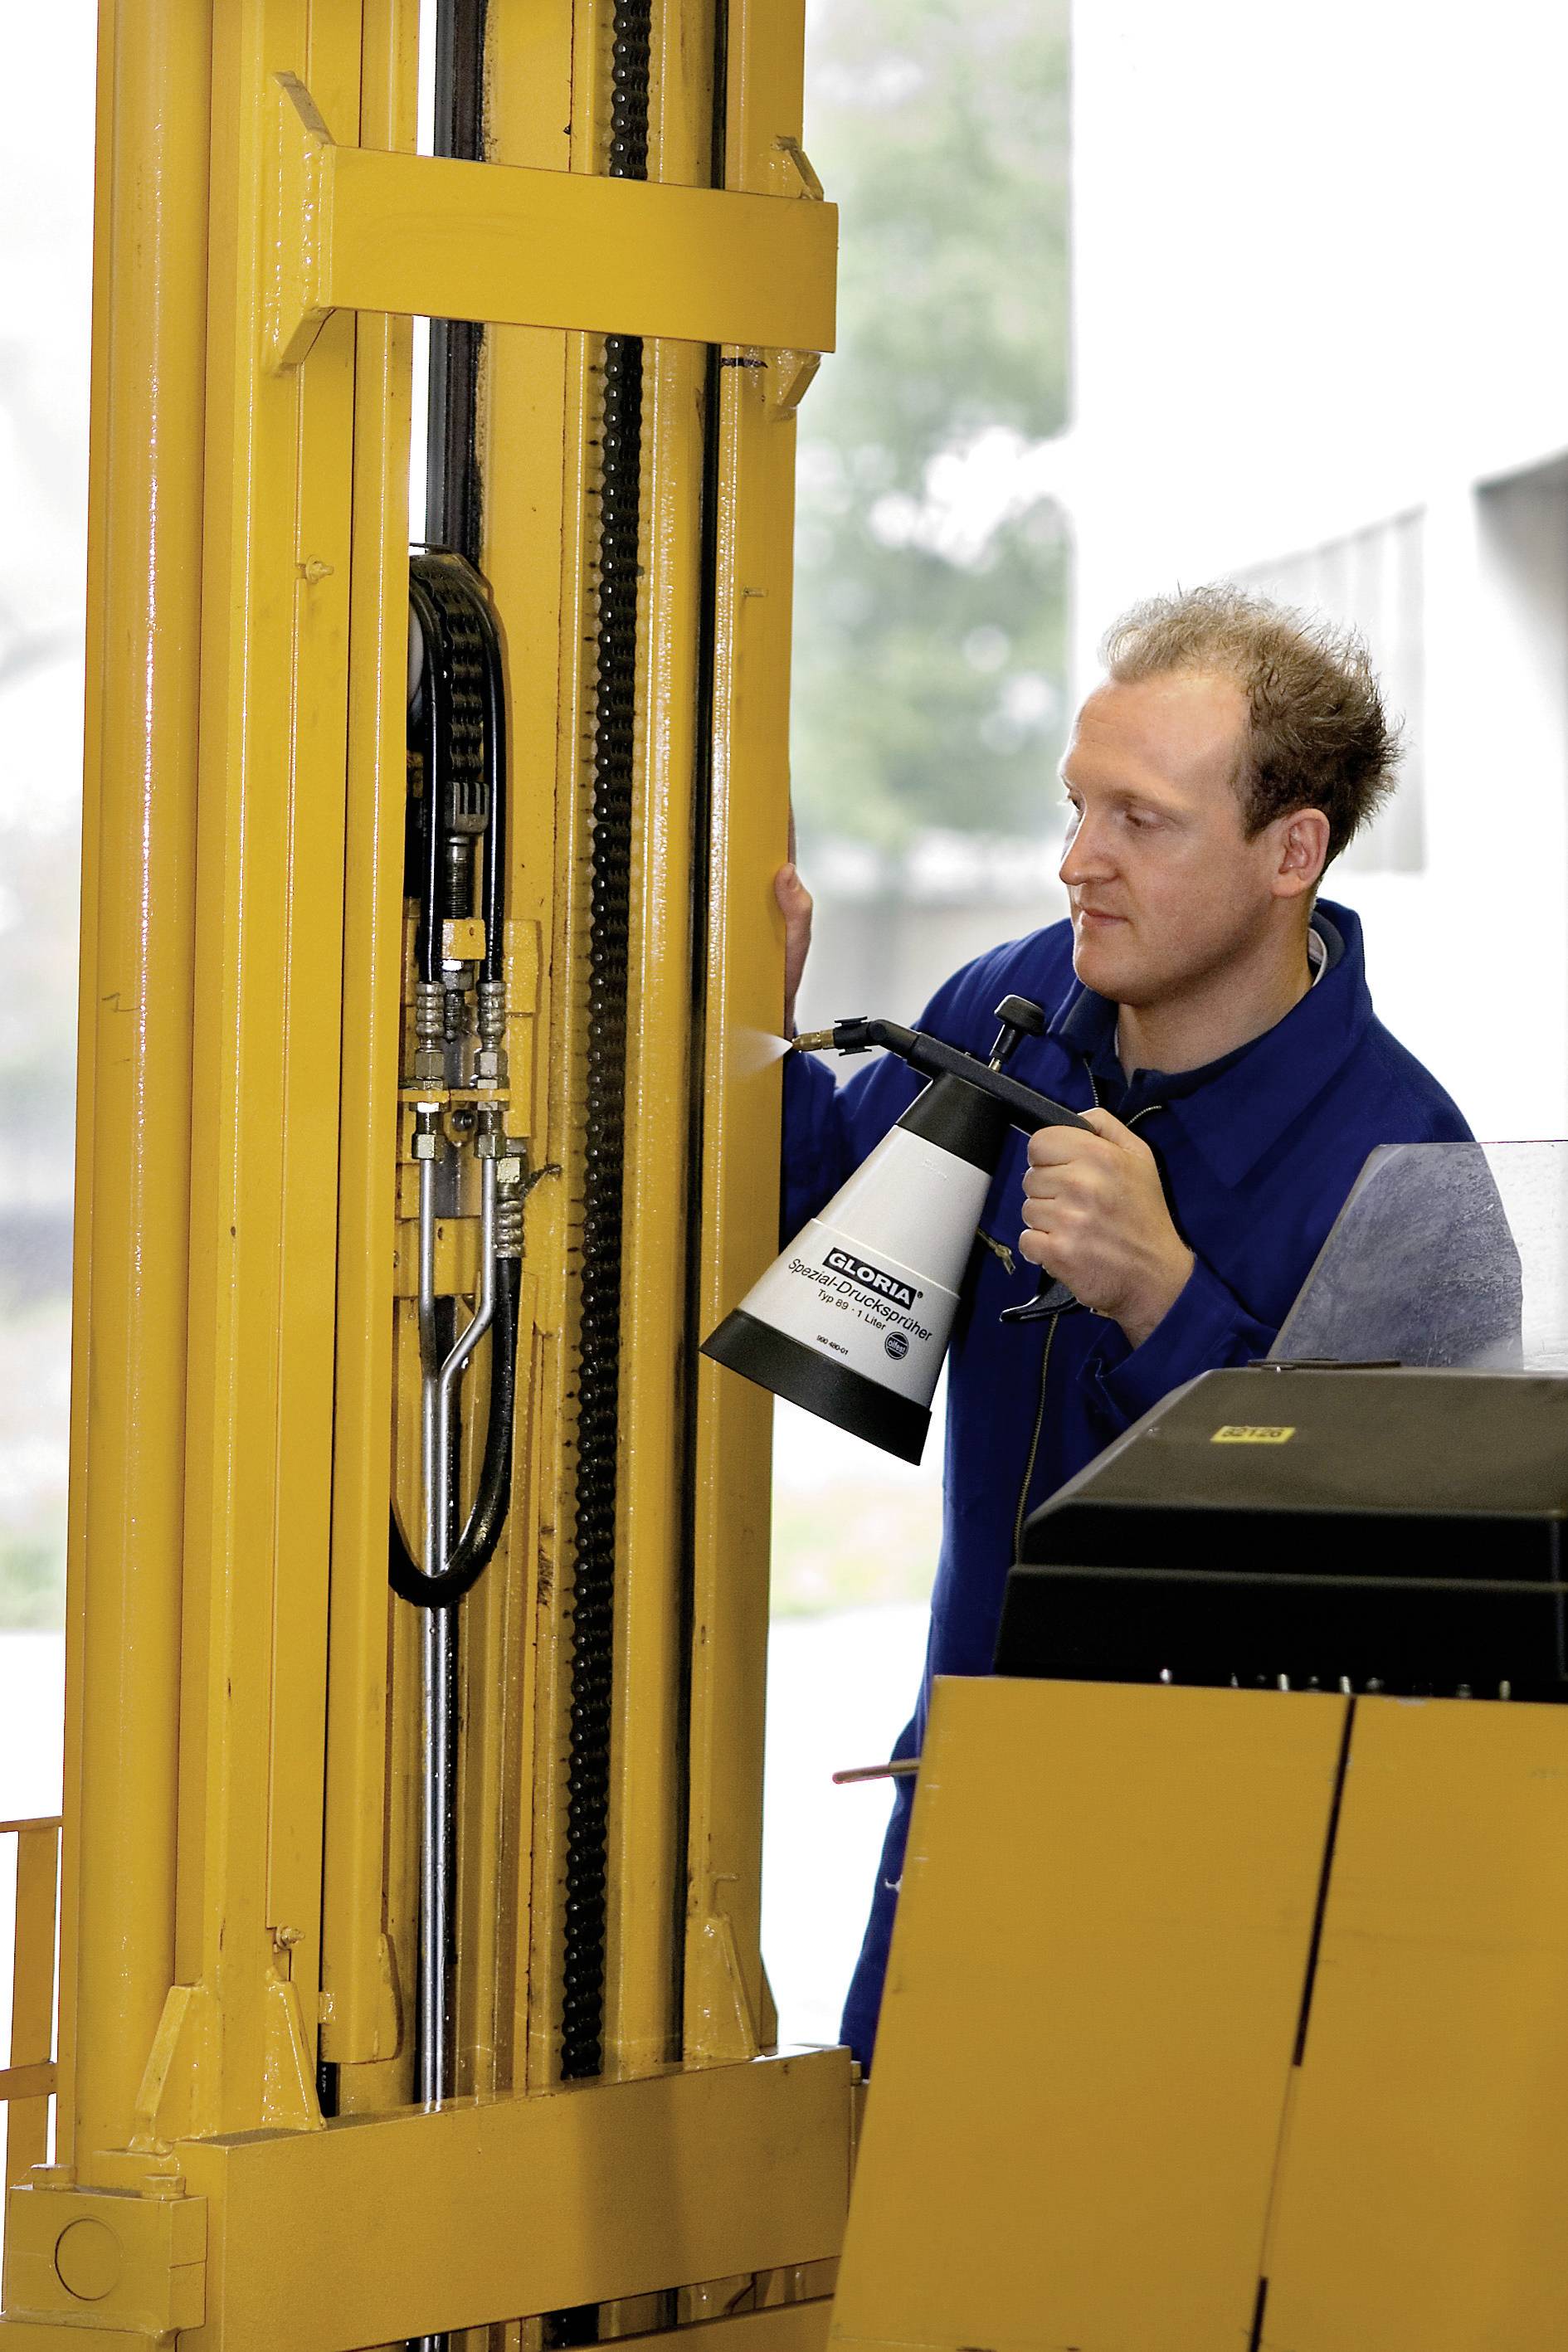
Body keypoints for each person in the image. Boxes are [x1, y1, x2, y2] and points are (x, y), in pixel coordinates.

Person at [775, 586, 1473, 2068]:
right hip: (964, 1795)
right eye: (1077, 806)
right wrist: (739, 1029)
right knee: (901, 2230)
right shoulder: (1017, 1002)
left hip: (1237, 1874)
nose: (1075, 863)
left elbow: (1404, 1611)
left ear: (1292, 852)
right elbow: (825, 1222)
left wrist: (1165, 1301)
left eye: (1138, 822)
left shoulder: (1409, 1173)